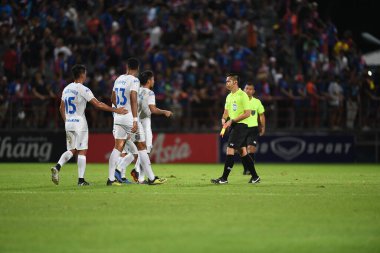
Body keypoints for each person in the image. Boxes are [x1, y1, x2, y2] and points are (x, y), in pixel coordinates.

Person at [50, 64, 128, 186]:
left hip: (69, 122)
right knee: (82, 151)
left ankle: (57, 166)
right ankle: (81, 180)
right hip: (80, 123)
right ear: (82, 75)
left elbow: (61, 107)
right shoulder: (83, 89)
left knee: (71, 150)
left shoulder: (66, 88)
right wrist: (115, 110)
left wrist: (66, 120)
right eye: (85, 73)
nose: (86, 76)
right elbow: (98, 104)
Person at [108, 58, 167, 186]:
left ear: (127, 67)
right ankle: (151, 178)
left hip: (118, 116)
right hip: (129, 117)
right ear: (137, 68)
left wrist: (118, 109)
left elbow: (112, 97)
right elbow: (133, 98)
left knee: (117, 147)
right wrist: (134, 119)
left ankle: (111, 179)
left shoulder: (118, 79)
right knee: (142, 147)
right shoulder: (135, 80)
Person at [211, 73, 260, 184]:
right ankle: (255, 177)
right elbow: (225, 113)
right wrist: (223, 120)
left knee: (230, 149)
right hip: (233, 126)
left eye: (229, 81)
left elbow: (247, 114)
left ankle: (224, 178)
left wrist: (232, 121)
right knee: (243, 151)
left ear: (235, 82)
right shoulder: (229, 96)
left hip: (241, 126)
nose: (226, 83)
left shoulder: (242, 95)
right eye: (226, 81)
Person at [129, 70, 173, 183]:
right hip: (144, 122)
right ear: (149, 81)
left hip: (134, 121)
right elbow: (153, 109)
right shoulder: (150, 93)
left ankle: (140, 177)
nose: (154, 81)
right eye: (153, 79)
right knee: (146, 149)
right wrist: (164, 112)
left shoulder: (136, 90)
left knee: (141, 149)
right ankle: (138, 172)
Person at [242, 83, 265, 176]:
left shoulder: (257, 102)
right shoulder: (239, 101)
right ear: (243, 89)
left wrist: (263, 127)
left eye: (250, 89)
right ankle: (246, 168)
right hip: (241, 128)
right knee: (242, 150)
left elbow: (262, 115)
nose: (248, 90)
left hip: (253, 129)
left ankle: (249, 169)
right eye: (247, 88)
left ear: (253, 91)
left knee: (251, 149)